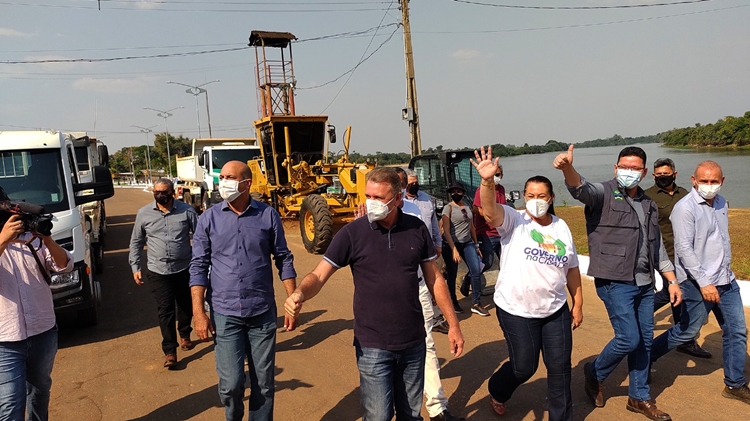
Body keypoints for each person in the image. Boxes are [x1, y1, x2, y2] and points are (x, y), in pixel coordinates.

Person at [284, 167, 464, 421]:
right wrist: (300, 293)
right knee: (378, 416)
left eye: (379, 198)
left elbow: (434, 278)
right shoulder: (353, 233)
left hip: (413, 341)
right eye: (369, 196)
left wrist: (453, 324)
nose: (372, 203)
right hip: (373, 344)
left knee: (411, 415)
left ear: (398, 198)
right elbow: (319, 274)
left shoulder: (416, 229)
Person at [553, 145, 681, 421]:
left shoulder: (648, 203)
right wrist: (567, 168)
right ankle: (595, 372)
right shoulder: (603, 194)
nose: (629, 172)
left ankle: (639, 397)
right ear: (615, 168)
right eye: (624, 166)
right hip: (614, 281)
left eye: (635, 168)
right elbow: (580, 188)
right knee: (628, 338)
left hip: (645, 283)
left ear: (644, 172)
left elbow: (656, 246)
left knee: (644, 342)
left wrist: (670, 279)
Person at [473, 148, 583, 420]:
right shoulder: (514, 219)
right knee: (524, 367)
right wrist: (487, 182)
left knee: (560, 368)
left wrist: (577, 302)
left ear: (551, 197)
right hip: (516, 310)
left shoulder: (560, 227)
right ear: (524, 197)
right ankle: (498, 390)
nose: (536, 201)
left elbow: (571, 267)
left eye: (542, 196)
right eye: (530, 196)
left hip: (555, 309)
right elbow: (490, 212)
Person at [189, 161, 297, 421]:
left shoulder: (267, 215)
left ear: (246, 183)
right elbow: (198, 266)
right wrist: (198, 313)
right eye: (222, 177)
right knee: (232, 384)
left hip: (261, 311)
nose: (222, 182)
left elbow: (283, 258)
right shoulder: (209, 218)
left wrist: (292, 299)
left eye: (229, 177)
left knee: (264, 384)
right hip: (225, 313)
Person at [650, 161, 750, 404]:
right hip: (697, 282)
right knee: (687, 331)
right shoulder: (685, 208)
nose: (709, 186)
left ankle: (734, 384)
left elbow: (720, 240)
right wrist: (705, 283)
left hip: (725, 280)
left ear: (722, 181)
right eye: (703, 181)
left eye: (714, 181)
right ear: (693, 181)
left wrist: (725, 270)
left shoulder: (721, 203)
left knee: (737, 331)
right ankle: (643, 356)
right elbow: (684, 249)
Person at [0, 188, 73, 421]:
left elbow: (64, 265)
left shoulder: (32, 239)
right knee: (11, 403)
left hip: (43, 331)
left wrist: (47, 239)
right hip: (5, 340)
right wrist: (3, 239)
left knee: (40, 393)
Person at [399, 168, 464, 421]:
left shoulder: (423, 205)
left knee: (426, 344)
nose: (411, 187)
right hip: (393, 293)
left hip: (420, 283)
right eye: (408, 184)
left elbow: (432, 234)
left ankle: (438, 408)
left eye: (414, 183)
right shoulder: (377, 214)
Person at [644, 158, 711, 359]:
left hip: (689, 254)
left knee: (671, 293)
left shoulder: (686, 194)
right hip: (665, 254)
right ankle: (685, 339)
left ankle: (641, 312)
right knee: (674, 292)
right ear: (653, 175)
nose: (662, 177)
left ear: (675, 173)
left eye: (666, 174)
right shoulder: (647, 197)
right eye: (659, 175)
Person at [129, 178, 199, 368]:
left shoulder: (187, 211)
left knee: (185, 304)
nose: (160, 195)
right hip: (157, 270)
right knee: (165, 310)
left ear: (173, 192)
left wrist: (203, 264)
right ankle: (170, 350)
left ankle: (185, 333)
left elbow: (200, 237)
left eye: (164, 192)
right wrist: (135, 266)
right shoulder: (144, 214)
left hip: (184, 268)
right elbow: (136, 242)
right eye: (156, 192)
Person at [441, 182, 487, 316]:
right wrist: (454, 249)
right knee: (452, 273)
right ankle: (453, 302)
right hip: (451, 244)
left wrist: (476, 244)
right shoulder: (448, 208)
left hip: (467, 243)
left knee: (476, 270)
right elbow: (447, 231)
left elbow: (471, 227)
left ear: (463, 193)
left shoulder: (467, 206)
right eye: (453, 191)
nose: (456, 194)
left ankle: (476, 303)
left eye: (459, 191)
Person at [461, 164, 506, 298]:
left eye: (498, 175)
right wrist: (490, 215)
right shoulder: (482, 190)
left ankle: (505, 289)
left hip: (502, 232)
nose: (495, 178)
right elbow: (475, 209)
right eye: (493, 175)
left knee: (506, 262)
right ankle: (469, 278)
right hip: (487, 233)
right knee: (487, 262)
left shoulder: (502, 189)